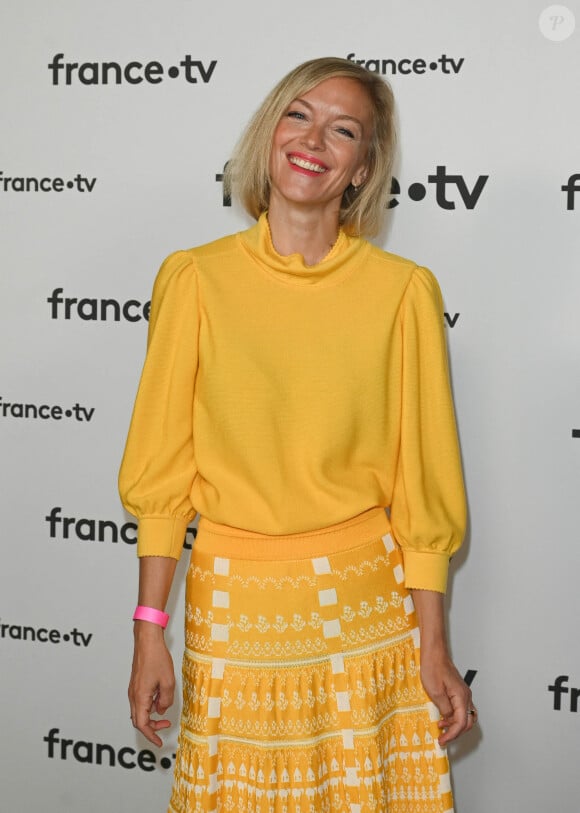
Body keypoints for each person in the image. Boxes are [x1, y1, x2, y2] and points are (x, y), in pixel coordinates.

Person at [119, 56, 476, 813]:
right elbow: (163, 475)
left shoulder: (404, 293)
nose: (313, 139)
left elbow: (424, 484)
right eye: (298, 114)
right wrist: (150, 628)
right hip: (233, 610)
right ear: (269, 133)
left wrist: (433, 642)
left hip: (367, 612)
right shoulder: (194, 279)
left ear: (362, 167)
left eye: (343, 129)